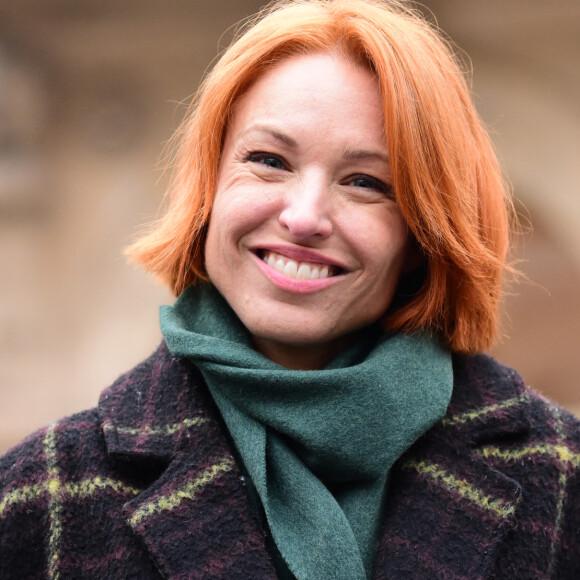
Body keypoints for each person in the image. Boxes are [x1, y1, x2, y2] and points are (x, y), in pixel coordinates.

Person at [1, 0, 579, 578]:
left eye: (365, 182)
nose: (303, 218)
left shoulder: (562, 482)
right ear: (209, 186)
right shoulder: (43, 495)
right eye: (269, 160)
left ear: (422, 235)